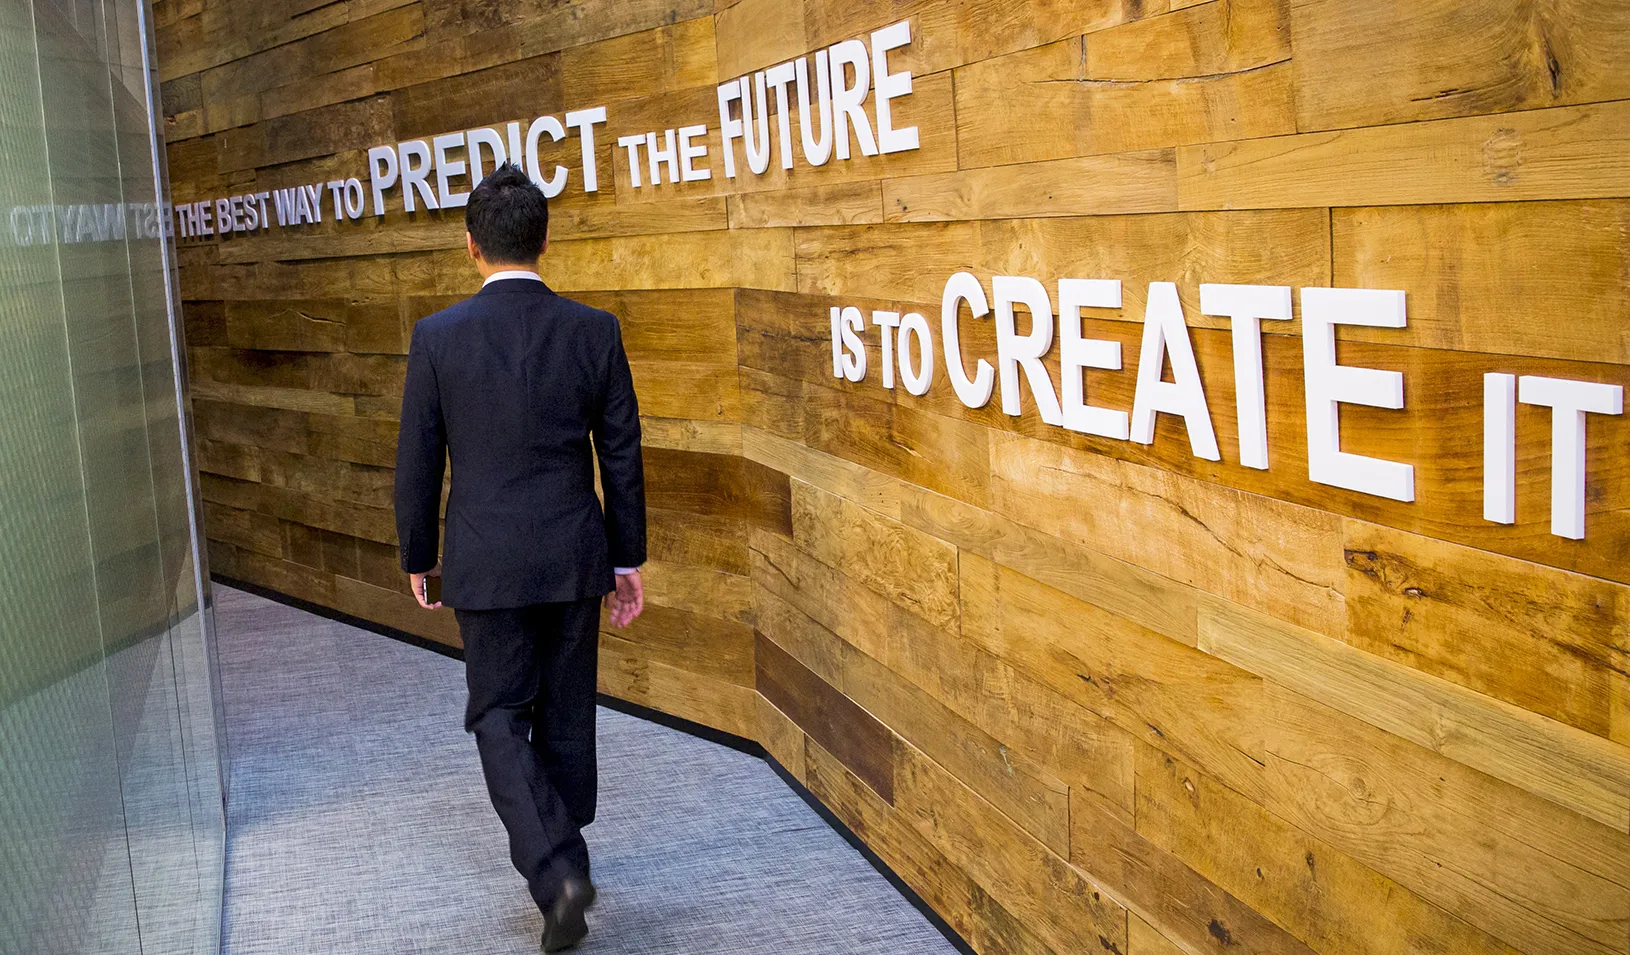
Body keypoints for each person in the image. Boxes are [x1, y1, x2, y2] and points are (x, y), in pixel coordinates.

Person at [393, 162, 646, 952]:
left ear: (471, 246)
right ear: (544, 240)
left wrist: (418, 552)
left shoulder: (437, 338)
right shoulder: (594, 331)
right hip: (576, 554)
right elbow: (623, 453)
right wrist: (628, 557)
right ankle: (564, 857)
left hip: (486, 561)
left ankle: (556, 867)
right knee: (567, 708)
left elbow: (417, 458)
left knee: (498, 711)